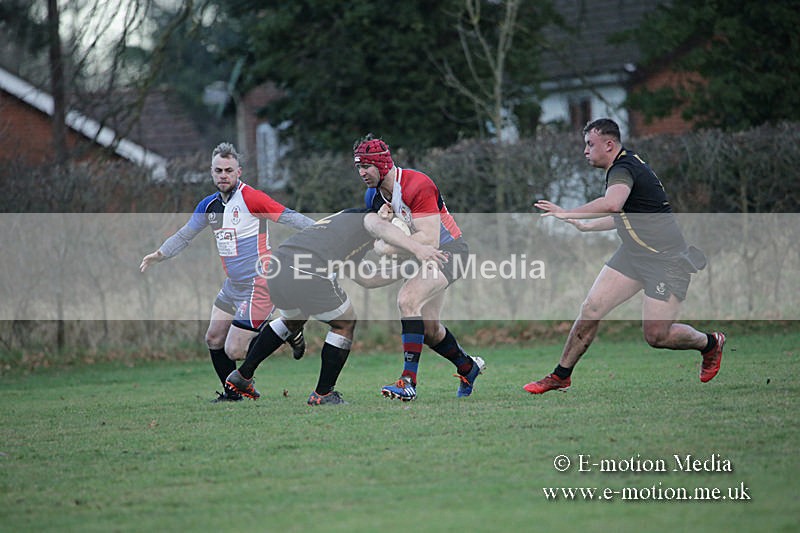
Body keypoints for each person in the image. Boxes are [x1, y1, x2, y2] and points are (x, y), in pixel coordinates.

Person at [524, 118, 725, 394]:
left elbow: (613, 204)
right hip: (633, 255)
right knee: (591, 308)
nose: (585, 151)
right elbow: (627, 215)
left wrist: (567, 212)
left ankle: (710, 344)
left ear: (609, 145)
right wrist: (587, 226)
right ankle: (561, 375)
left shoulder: (623, 168)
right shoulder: (623, 167)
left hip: (666, 260)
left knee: (657, 335)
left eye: (589, 144)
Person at [139, 142, 315, 402]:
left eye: (228, 170)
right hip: (233, 285)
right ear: (211, 172)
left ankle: (288, 330)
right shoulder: (209, 206)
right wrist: (160, 254)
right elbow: (185, 235)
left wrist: (323, 231)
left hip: (260, 281)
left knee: (234, 349)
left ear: (239, 172)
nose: (223, 175)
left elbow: (289, 217)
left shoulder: (252, 198)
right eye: (218, 170)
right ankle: (232, 394)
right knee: (213, 338)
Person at [224, 208, 448, 405]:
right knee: (345, 323)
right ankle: (323, 394)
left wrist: (408, 269)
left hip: (277, 266)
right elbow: (380, 227)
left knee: (293, 320)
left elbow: (366, 279)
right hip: (307, 268)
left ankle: (242, 376)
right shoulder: (368, 217)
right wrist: (416, 248)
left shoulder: (345, 226)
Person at [353, 134, 485, 402]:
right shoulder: (374, 195)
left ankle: (408, 381)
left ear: (383, 164)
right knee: (429, 330)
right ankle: (467, 367)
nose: (362, 173)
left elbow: (429, 239)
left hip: (448, 252)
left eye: (366, 166)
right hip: (419, 257)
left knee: (407, 300)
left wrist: (386, 247)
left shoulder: (417, 184)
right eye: (358, 167)